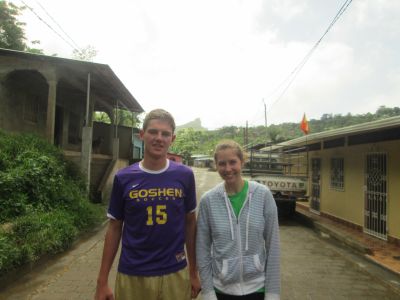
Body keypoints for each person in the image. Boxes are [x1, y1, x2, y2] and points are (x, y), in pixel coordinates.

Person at [95, 108, 201, 300]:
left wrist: (193, 272)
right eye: (153, 132)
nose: (159, 138)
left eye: (165, 134)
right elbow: (114, 228)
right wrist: (102, 281)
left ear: (172, 139)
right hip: (133, 273)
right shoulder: (123, 178)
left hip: (175, 271)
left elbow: (190, 223)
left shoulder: (184, 175)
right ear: (142, 135)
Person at [196, 140, 280, 300]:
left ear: (242, 161)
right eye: (222, 164)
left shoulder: (262, 195)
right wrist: (208, 292)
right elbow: (202, 250)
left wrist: (273, 293)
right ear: (216, 165)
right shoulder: (208, 200)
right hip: (221, 290)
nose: (228, 169)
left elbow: (273, 247)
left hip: (258, 289)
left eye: (233, 162)